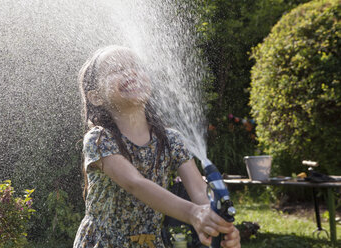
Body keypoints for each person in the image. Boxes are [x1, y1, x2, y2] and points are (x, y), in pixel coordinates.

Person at [73, 45, 240, 248]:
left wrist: (215, 220)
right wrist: (194, 213)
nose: (130, 72)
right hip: (103, 243)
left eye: (136, 66)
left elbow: (198, 190)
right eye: (116, 69)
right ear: (96, 97)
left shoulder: (170, 139)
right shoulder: (99, 139)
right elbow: (135, 183)